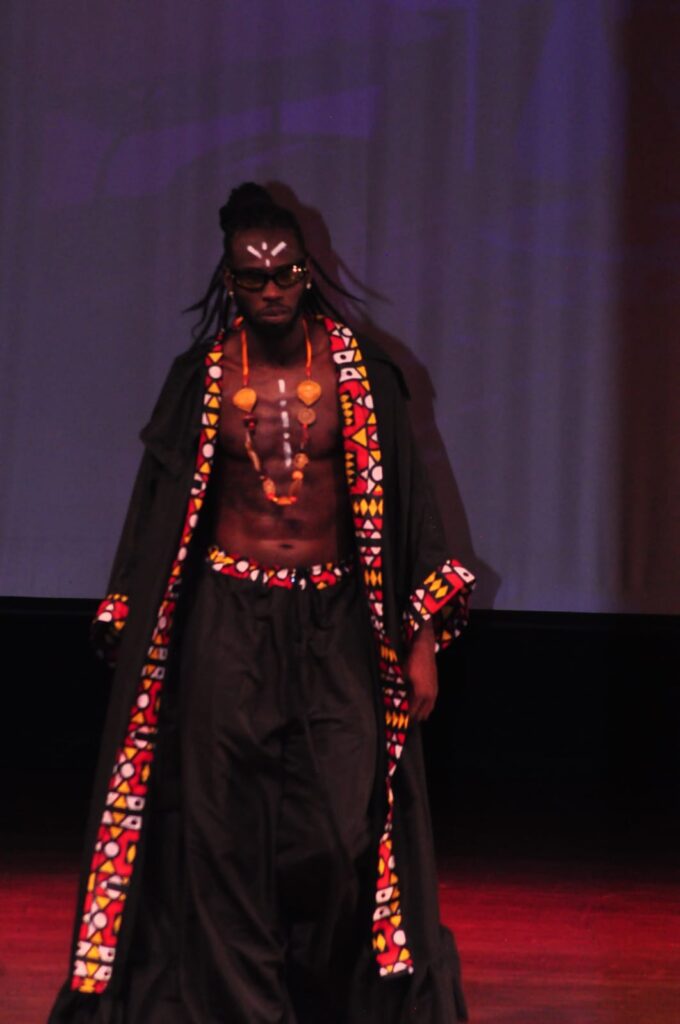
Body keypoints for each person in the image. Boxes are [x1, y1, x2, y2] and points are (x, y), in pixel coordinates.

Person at [48, 184, 475, 1024]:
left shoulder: (361, 375)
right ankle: (245, 1010)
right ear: (230, 280)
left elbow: (409, 507)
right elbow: (156, 510)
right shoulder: (202, 380)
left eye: (285, 274)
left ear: (308, 271)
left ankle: (321, 996)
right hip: (228, 618)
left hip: (335, 623)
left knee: (343, 829)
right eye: (253, 277)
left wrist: (421, 636)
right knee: (221, 832)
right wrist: (135, 624)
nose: (272, 289)